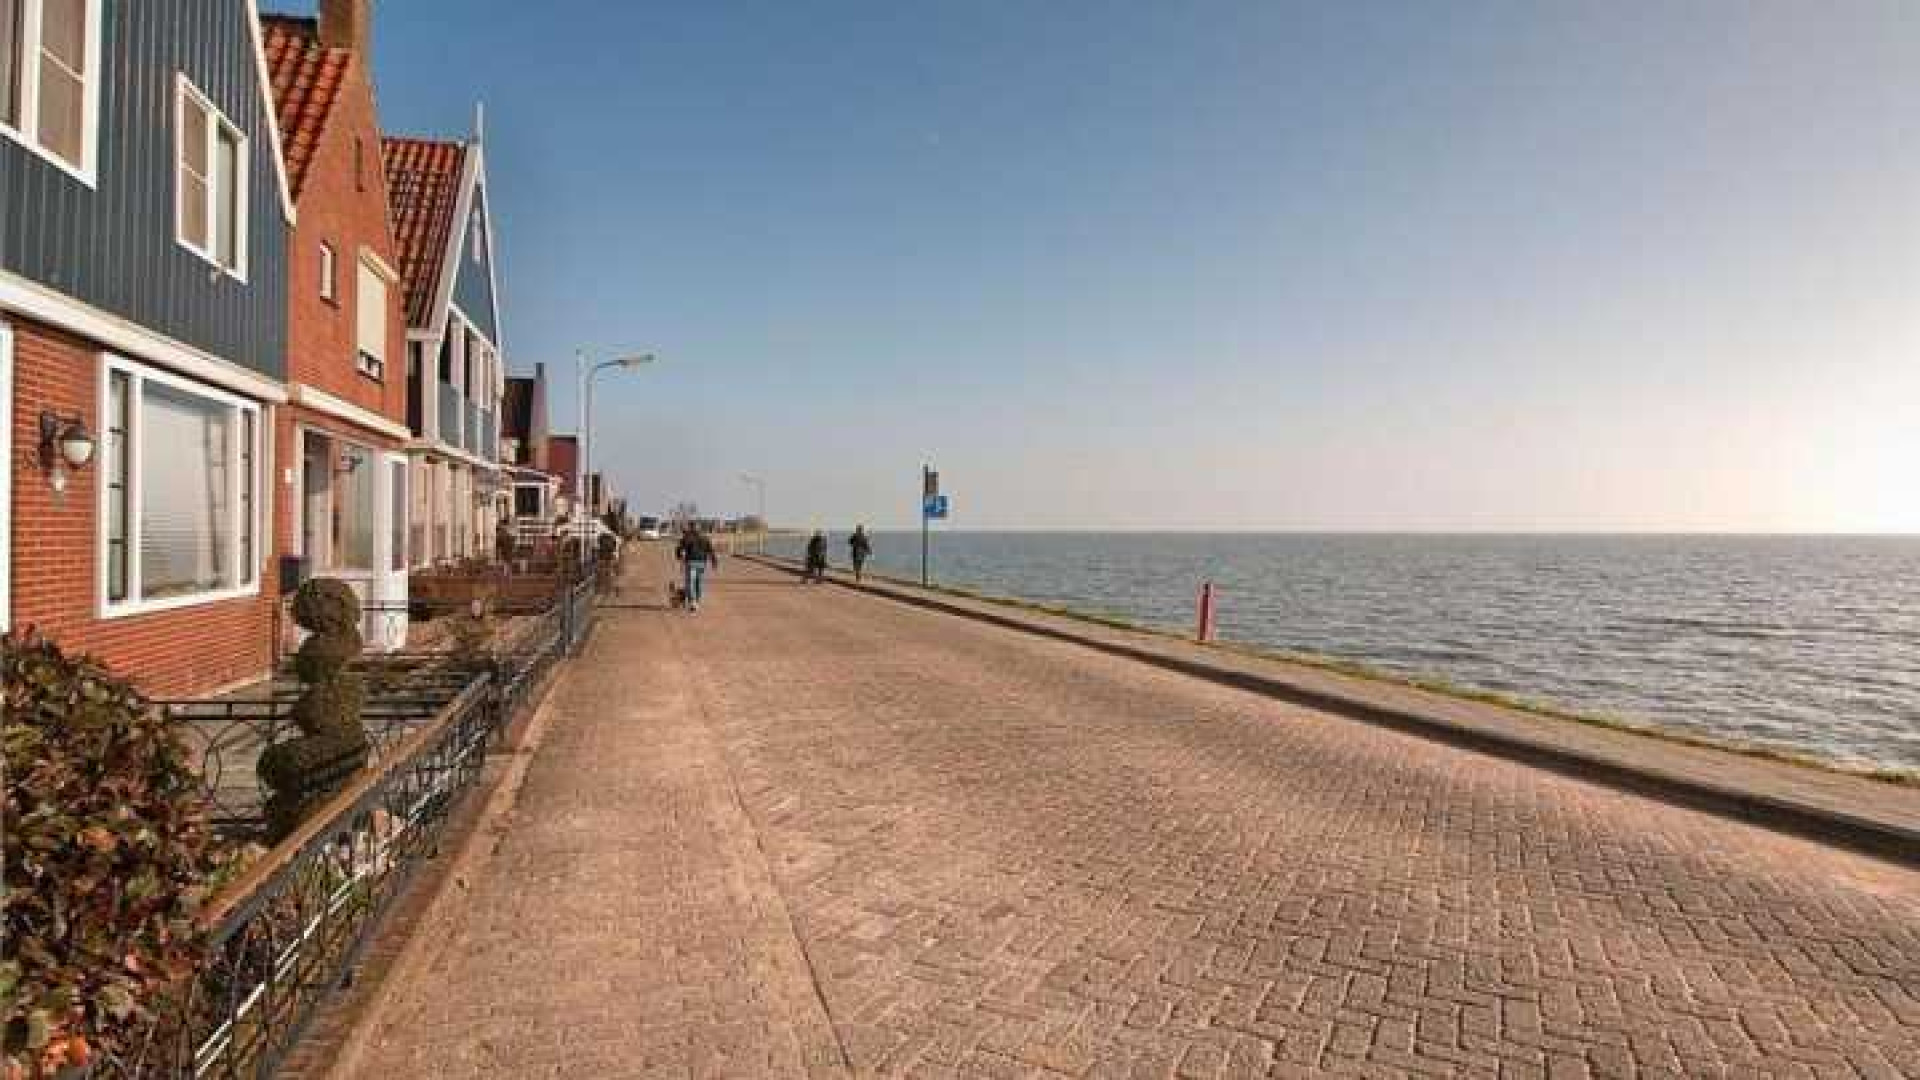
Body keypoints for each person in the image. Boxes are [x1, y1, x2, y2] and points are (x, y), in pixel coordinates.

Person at [675, 525, 719, 612]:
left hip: (691, 562)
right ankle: (697, 601)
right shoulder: (705, 538)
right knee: (699, 582)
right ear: (700, 530)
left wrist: (679, 557)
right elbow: (711, 551)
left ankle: (693, 602)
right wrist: (714, 562)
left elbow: (679, 549)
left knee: (690, 583)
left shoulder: (687, 538)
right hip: (702, 563)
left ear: (691, 529)